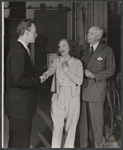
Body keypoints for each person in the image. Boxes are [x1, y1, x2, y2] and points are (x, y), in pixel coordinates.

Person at [5, 19, 45, 148]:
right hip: (19, 108)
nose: (36, 35)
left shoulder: (22, 49)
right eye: (34, 32)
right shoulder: (18, 51)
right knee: (19, 143)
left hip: (21, 107)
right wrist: (39, 80)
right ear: (26, 32)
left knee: (20, 142)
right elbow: (19, 79)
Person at [79, 26, 116, 148]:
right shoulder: (83, 49)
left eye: (92, 33)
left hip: (96, 90)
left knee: (97, 122)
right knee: (83, 123)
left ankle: (97, 145)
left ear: (99, 36)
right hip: (83, 89)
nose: (88, 35)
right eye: (88, 33)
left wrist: (95, 75)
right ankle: (83, 145)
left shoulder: (107, 50)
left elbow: (111, 69)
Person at [43, 39, 83, 148]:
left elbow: (79, 81)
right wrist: (46, 74)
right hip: (58, 96)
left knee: (71, 127)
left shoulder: (78, 63)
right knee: (57, 126)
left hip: (72, 97)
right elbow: (51, 69)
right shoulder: (57, 60)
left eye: (64, 45)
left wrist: (66, 69)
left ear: (70, 47)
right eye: (59, 46)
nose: (61, 48)